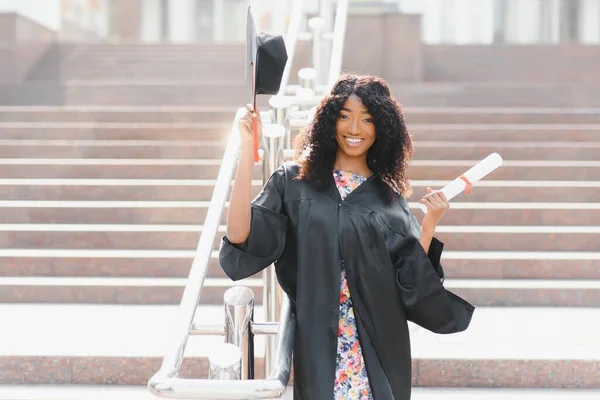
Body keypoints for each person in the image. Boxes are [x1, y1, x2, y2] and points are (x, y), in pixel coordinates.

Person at [219, 74, 475, 400]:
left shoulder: (388, 200)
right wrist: (245, 152)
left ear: (382, 128)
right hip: (318, 342)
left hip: (379, 349)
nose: (355, 129)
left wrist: (429, 227)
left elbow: (412, 285)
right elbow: (242, 237)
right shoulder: (294, 183)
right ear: (329, 120)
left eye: (367, 119)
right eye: (345, 116)